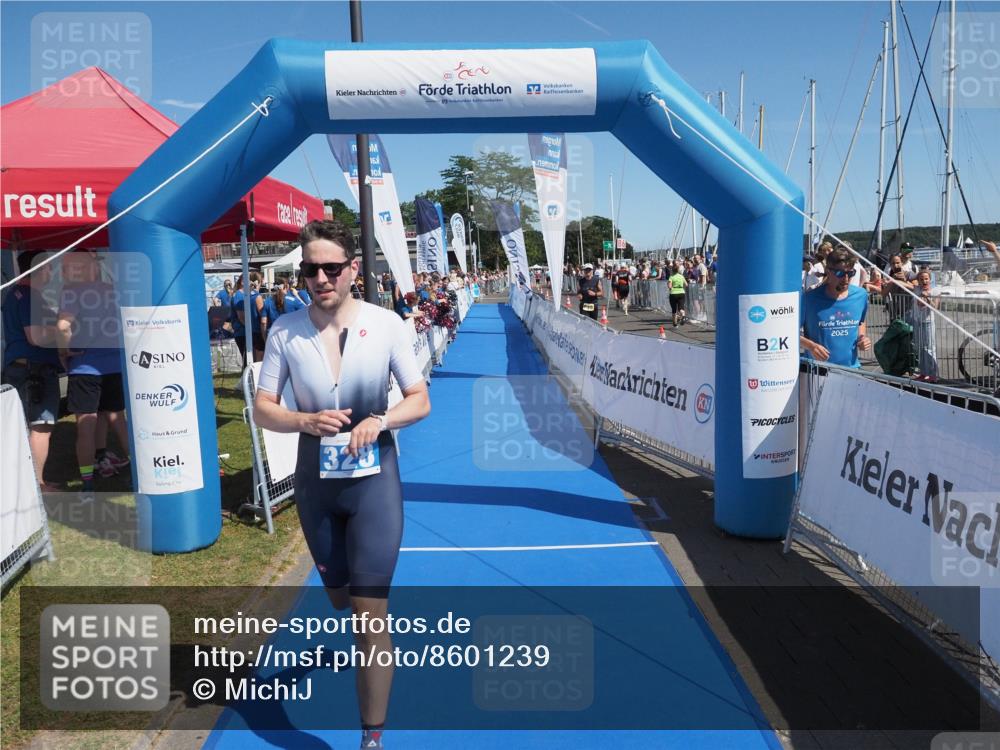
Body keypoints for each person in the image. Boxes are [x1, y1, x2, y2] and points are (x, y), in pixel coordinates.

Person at [252, 220, 430, 750]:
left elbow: (419, 398)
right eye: (313, 269)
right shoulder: (284, 330)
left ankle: (371, 737)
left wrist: (383, 420)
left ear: (355, 268)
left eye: (333, 267)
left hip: (376, 485)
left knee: (368, 614)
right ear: (303, 273)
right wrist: (303, 422)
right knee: (337, 598)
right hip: (316, 488)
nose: (323, 277)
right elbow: (263, 409)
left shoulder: (387, 324)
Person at [56, 250, 131, 501]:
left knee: (85, 426)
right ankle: (139, 472)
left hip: (85, 367)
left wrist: (63, 351)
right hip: (114, 364)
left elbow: (63, 326)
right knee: (118, 420)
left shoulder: (71, 291)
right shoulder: (112, 289)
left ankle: (87, 483)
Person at [1, 251, 63, 491]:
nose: (51, 272)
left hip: (21, 368)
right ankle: (36, 486)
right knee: (41, 427)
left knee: (22, 428)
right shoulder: (30, 296)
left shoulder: (14, 295)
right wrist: (61, 328)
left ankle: (24, 485)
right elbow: (35, 337)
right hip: (34, 371)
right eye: (48, 267)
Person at [800, 247, 872, 368]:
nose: (846, 279)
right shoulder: (809, 299)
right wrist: (811, 346)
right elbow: (790, 333)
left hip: (852, 369)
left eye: (850, 273)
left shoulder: (861, 295)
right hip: (818, 371)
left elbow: (860, 321)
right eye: (840, 273)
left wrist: (862, 337)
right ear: (828, 271)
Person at [907, 269, 939, 381]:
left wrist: (928, 298)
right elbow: (904, 281)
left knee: (929, 348)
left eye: (926, 279)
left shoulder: (935, 290)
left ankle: (933, 374)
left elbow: (935, 307)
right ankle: (923, 372)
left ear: (930, 279)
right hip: (917, 321)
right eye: (921, 279)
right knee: (919, 348)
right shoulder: (916, 289)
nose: (924, 281)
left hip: (928, 322)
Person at [232, 272, 265, 364]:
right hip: (245, 332)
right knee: (251, 361)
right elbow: (241, 317)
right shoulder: (240, 295)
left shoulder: (248, 295)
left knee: (252, 360)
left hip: (250, 332)